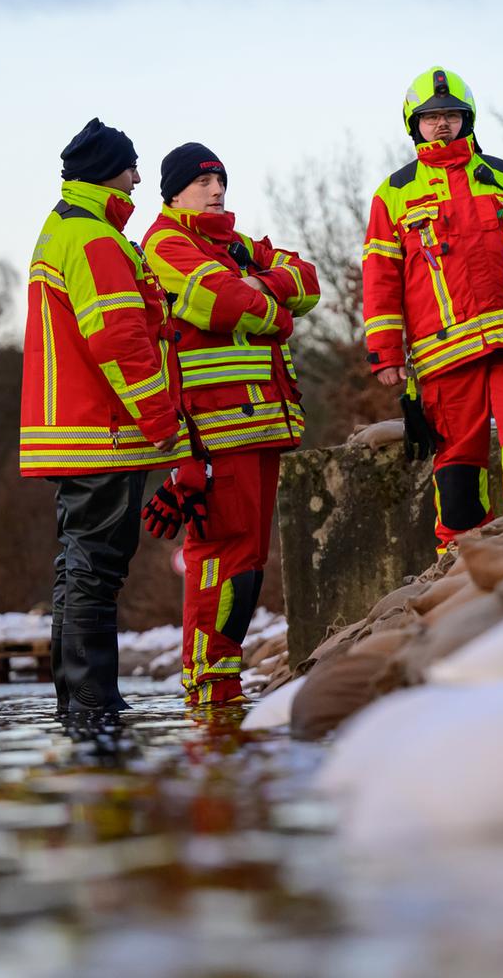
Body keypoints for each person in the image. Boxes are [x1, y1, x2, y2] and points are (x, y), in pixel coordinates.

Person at [139, 143, 321, 707]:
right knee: (222, 559)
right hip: (214, 431)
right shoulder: (166, 243)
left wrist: (262, 285)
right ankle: (209, 684)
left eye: (221, 180)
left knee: (247, 563)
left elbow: (309, 279)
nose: (217, 190)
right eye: (202, 182)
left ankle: (222, 685)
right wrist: (271, 298)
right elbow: (224, 304)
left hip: (259, 424)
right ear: (173, 192)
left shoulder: (234, 245)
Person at [19, 117, 183, 714]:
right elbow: (120, 340)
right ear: (107, 171)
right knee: (97, 568)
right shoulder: (95, 239)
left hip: (72, 428)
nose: (140, 177)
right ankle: (93, 700)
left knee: (79, 564)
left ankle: (79, 699)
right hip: (102, 430)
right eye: (131, 166)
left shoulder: (65, 227)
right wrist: (161, 420)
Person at [361, 67, 503, 550]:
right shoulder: (393, 193)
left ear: (467, 118)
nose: (442, 125)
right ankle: (460, 570)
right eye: (431, 118)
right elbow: (380, 276)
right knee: (457, 471)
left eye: (451, 114)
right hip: (443, 356)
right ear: (415, 125)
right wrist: (385, 352)